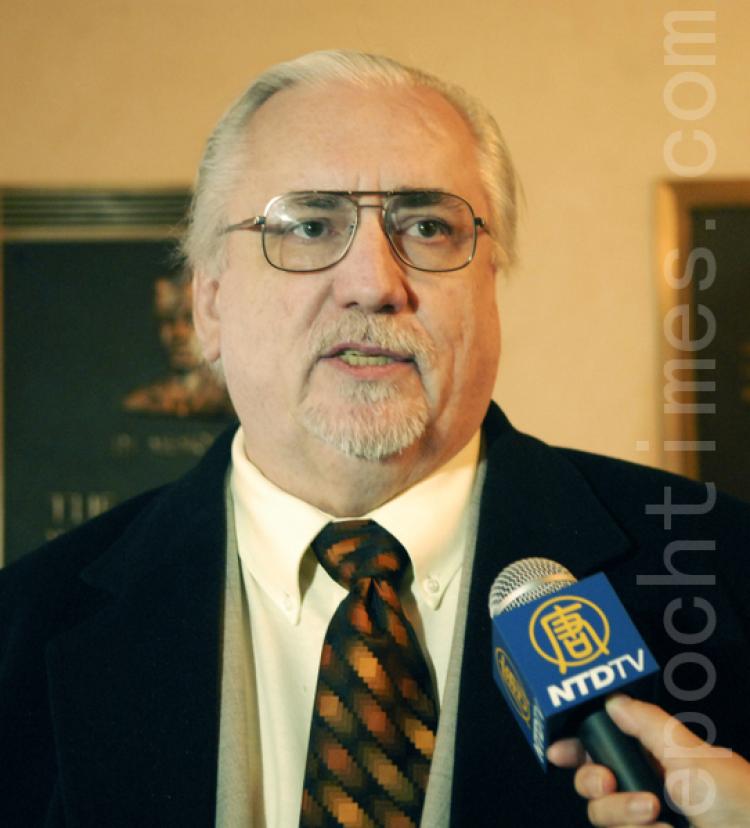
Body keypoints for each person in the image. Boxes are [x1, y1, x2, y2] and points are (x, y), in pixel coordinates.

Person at [1, 49, 749, 828]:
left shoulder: (723, 568)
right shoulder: (21, 629)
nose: (373, 283)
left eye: (427, 226)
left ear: (491, 283)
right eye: (308, 225)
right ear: (211, 302)